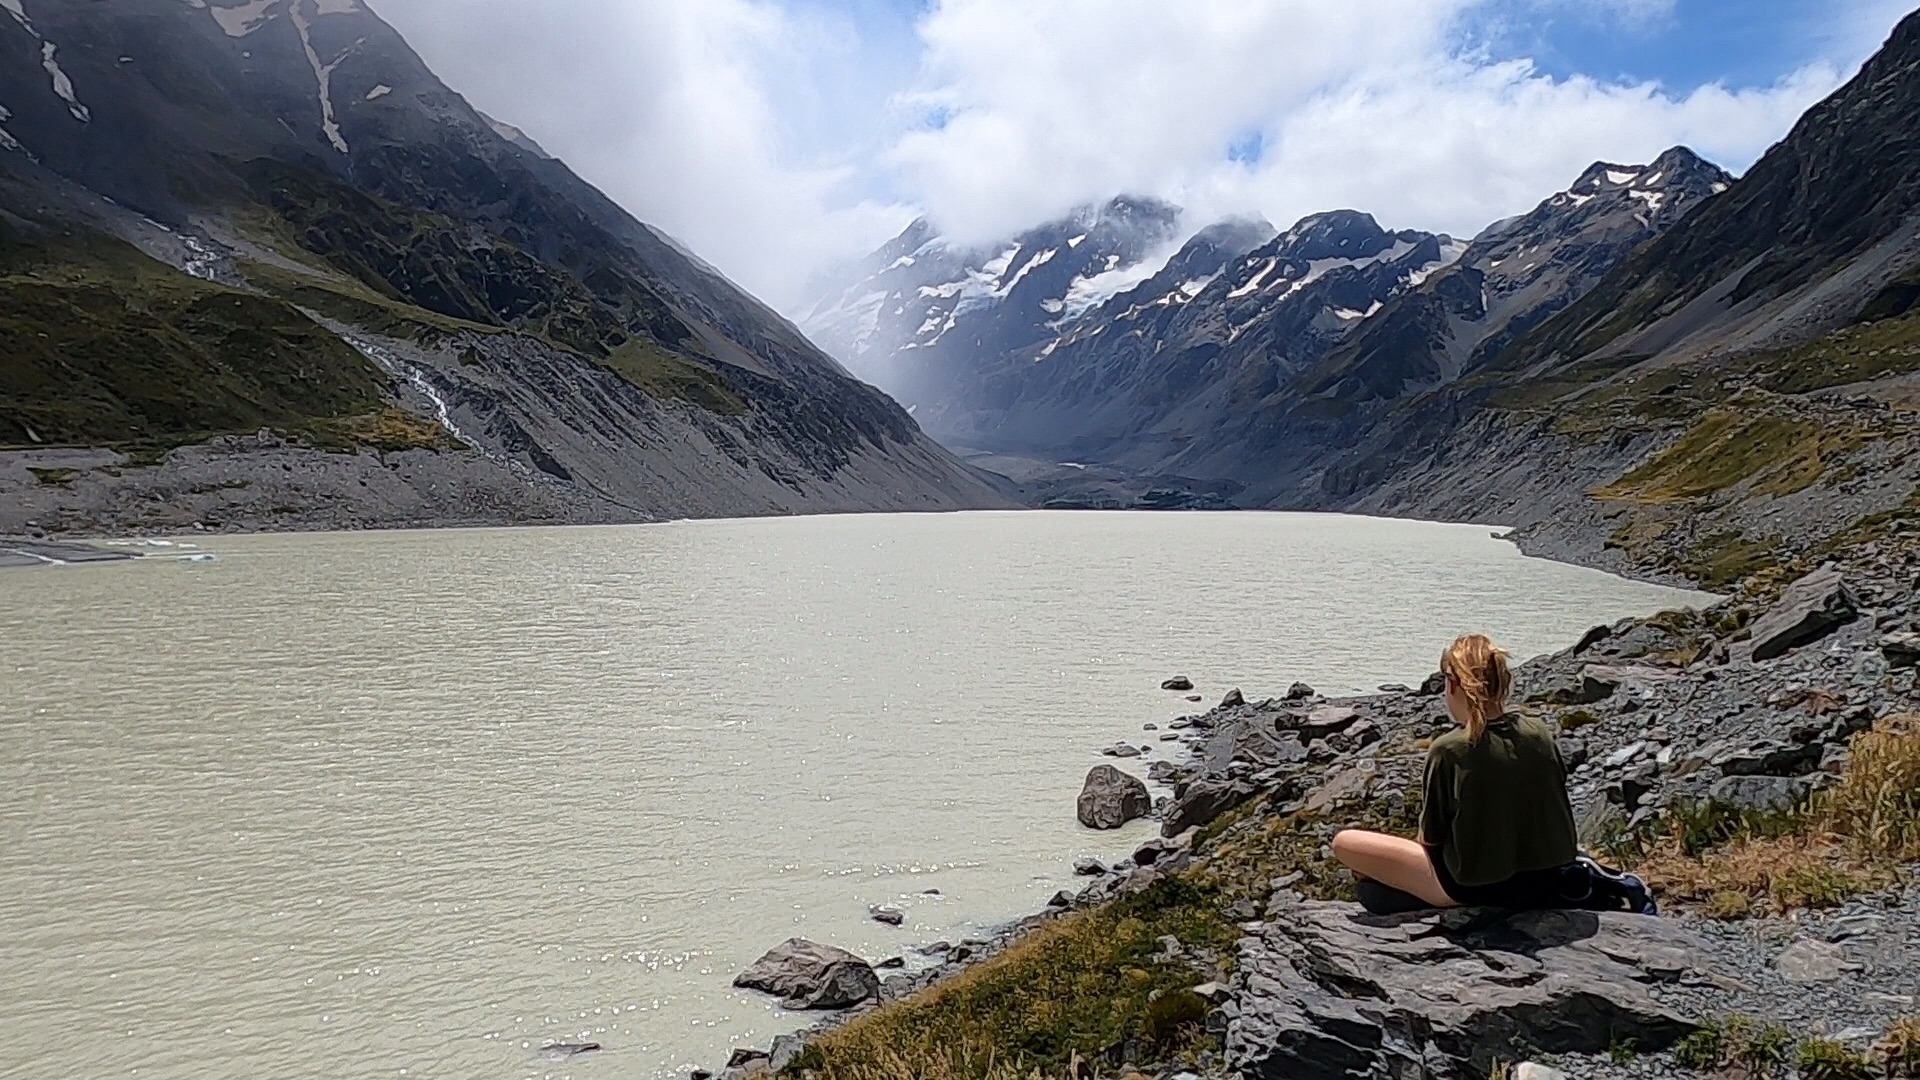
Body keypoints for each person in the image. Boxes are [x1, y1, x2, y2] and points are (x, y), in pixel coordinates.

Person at [1331, 633, 1584, 911]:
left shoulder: (1450, 749)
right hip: (1549, 882)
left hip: (1474, 889)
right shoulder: (1539, 733)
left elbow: (1430, 838)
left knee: (1346, 842)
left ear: (1452, 685)